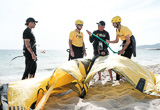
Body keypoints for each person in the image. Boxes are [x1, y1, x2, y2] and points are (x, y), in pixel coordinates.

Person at [107, 16, 136, 80]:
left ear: (117, 22)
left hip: (130, 43)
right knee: (120, 61)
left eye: (113, 23)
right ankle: (119, 78)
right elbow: (116, 40)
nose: (112, 24)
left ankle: (127, 76)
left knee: (125, 61)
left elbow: (128, 41)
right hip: (125, 43)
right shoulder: (117, 30)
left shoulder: (124, 29)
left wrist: (122, 50)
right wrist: (109, 41)